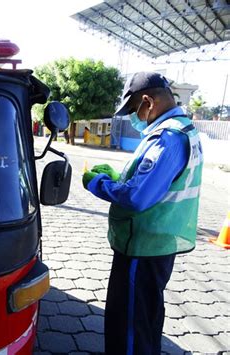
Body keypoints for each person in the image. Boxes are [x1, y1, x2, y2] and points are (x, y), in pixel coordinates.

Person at [82, 72, 203, 355]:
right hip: (158, 243)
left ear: (148, 101)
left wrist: (99, 184)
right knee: (145, 319)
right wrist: (120, 179)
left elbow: (137, 197)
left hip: (142, 247)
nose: (134, 117)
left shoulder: (167, 138)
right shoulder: (185, 129)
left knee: (129, 326)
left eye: (134, 108)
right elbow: (152, 182)